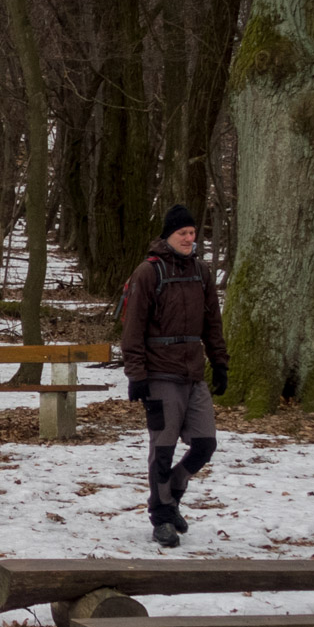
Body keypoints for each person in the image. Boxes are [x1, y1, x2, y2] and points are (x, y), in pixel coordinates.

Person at [119, 204, 228, 549]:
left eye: (193, 233)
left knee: (205, 444)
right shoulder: (148, 273)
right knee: (162, 449)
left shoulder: (202, 272)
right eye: (182, 233)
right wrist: (136, 374)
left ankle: (173, 492)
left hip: (193, 374)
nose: (189, 238)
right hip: (160, 375)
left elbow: (213, 322)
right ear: (169, 235)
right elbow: (133, 329)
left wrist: (220, 362)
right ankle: (162, 516)